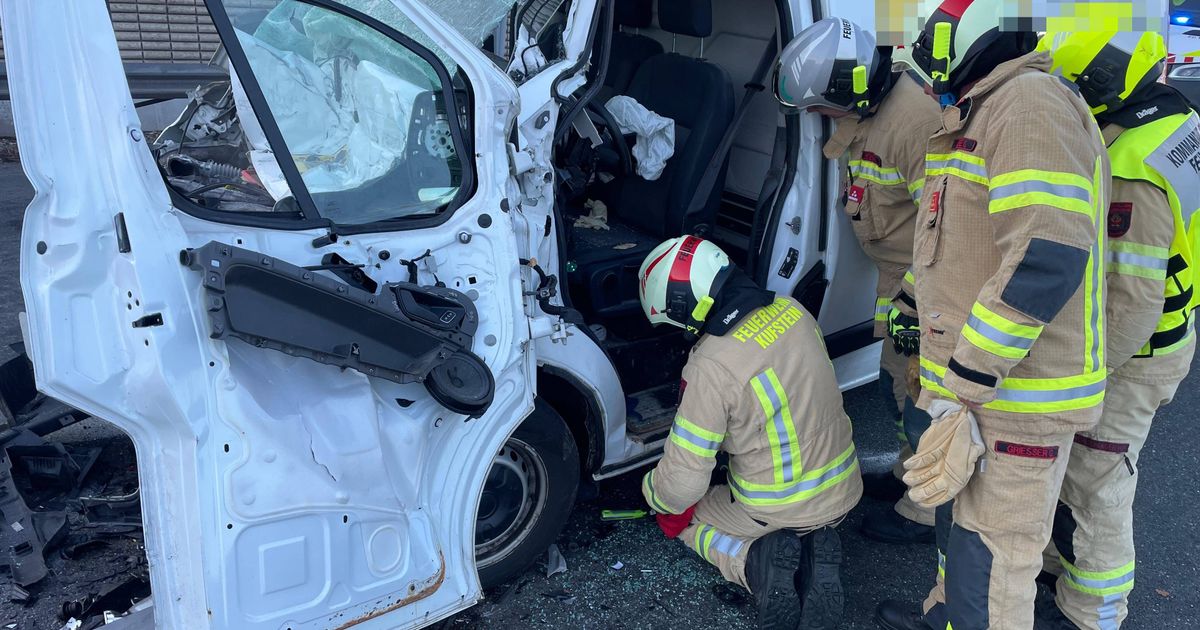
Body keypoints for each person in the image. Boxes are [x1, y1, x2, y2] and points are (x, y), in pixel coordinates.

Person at [874, 0, 1111, 628]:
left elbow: (1047, 257)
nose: (926, 82)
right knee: (962, 532)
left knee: (994, 560)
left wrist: (970, 376)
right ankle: (942, 617)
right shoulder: (987, 108)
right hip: (983, 389)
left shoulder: (1028, 104)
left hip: (1015, 394)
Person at [1033, 30, 1200, 629]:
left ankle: (1092, 613)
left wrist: (1085, 377)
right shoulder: (1176, 122)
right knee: (1085, 472)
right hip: (1168, 336)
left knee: (1097, 480)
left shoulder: (1131, 166)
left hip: (1136, 354)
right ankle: (1060, 572)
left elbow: (1132, 301)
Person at [774, 17, 943, 545]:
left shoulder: (914, 124)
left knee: (922, 391)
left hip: (924, 280)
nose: (819, 118)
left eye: (821, 106)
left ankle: (925, 512)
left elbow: (950, 230)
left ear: (852, 92)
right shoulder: (870, 107)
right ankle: (905, 476)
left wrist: (914, 301)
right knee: (900, 381)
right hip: (896, 276)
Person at [637, 235, 862, 630]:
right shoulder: (793, 311)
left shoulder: (711, 365)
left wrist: (653, 494)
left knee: (687, 520)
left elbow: (683, 485)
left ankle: (752, 566)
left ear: (683, 306)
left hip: (777, 508)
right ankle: (812, 552)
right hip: (844, 489)